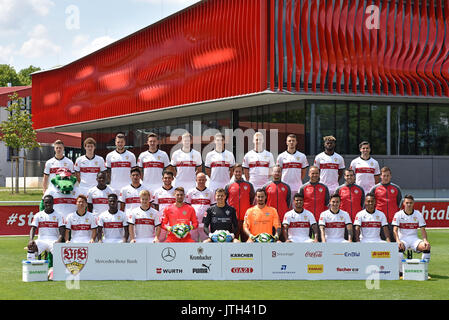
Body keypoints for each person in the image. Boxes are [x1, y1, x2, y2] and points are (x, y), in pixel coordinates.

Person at [392, 195, 431, 273]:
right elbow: (395, 230)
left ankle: (424, 270)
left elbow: (423, 229)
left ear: (413, 203)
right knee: (398, 248)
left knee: (426, 247)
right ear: (404, 203)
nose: (409, 205)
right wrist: (398, 240)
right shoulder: (398, 214)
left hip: (414, 239)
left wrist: (425, 240)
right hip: (403, 239)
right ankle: (400, 272)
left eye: (410, 203)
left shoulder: (418, 214)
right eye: (407, 203)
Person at [27, 195, 65, 261]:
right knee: (31, 247)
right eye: (46, 202)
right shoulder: (38, 215)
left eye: (50, 202)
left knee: (59, 251)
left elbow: (62, 230)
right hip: (41, 240)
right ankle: (32, 269)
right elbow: (33, 228)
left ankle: (58, 270)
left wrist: (59, 240)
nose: (48, 204)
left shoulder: (59, 215)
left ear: (53, 203)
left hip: (54, 240)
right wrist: (31, 239)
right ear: (44, 203)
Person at [224, 164, 255, 242]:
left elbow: (252, 199)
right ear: (233, 172)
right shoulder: (228, 186)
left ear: (242, 172)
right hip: (233, 219)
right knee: (233, 241)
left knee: (246, 241)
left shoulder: (249, 185)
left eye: (240, 171)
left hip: (246, 219)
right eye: (236, 171)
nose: (238, 173)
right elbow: (225, 201)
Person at [276, 134, 309, 203]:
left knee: (297, 207)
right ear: (286, 142)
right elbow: (278, 172)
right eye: (289, 141)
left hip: (297, 187)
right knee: (285, 206)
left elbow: (303, 172)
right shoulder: (281, 156)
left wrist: (298, 181)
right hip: (284, 187)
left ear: (296, 142)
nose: (291, 142)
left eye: (293, 141)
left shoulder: (302, 156)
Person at [262, 165, 291, 237]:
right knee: (269, 238)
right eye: (275, 171)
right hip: (269, 217)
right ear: (272, 173)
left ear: (281, 173)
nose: (277, 173)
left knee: (283, 239)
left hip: (282, 217)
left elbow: (288, 201)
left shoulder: (286, 187)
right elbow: (263, 202)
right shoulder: (266, 186)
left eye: (279, 171)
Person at [185, 172, 215, 242]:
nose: (201, 181)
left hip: (205, 223)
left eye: (203, 179)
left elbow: (213, 208)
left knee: (206, 243)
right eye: (199, 179)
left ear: (206, 180)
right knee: (192, 242)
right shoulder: (190, 192)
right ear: (196, 180)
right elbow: (187, 207)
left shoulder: (210, 192)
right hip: (193, 223)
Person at [152, 170, 177, 242]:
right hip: (161, 221)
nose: (167, 179)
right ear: (162, 179)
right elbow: (156, 207)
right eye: (165, 178)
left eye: (169, 178)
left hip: (174, 221)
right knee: (159, 240)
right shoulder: (157, 192)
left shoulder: (176, 191)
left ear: (172, 179)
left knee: (174, 240)